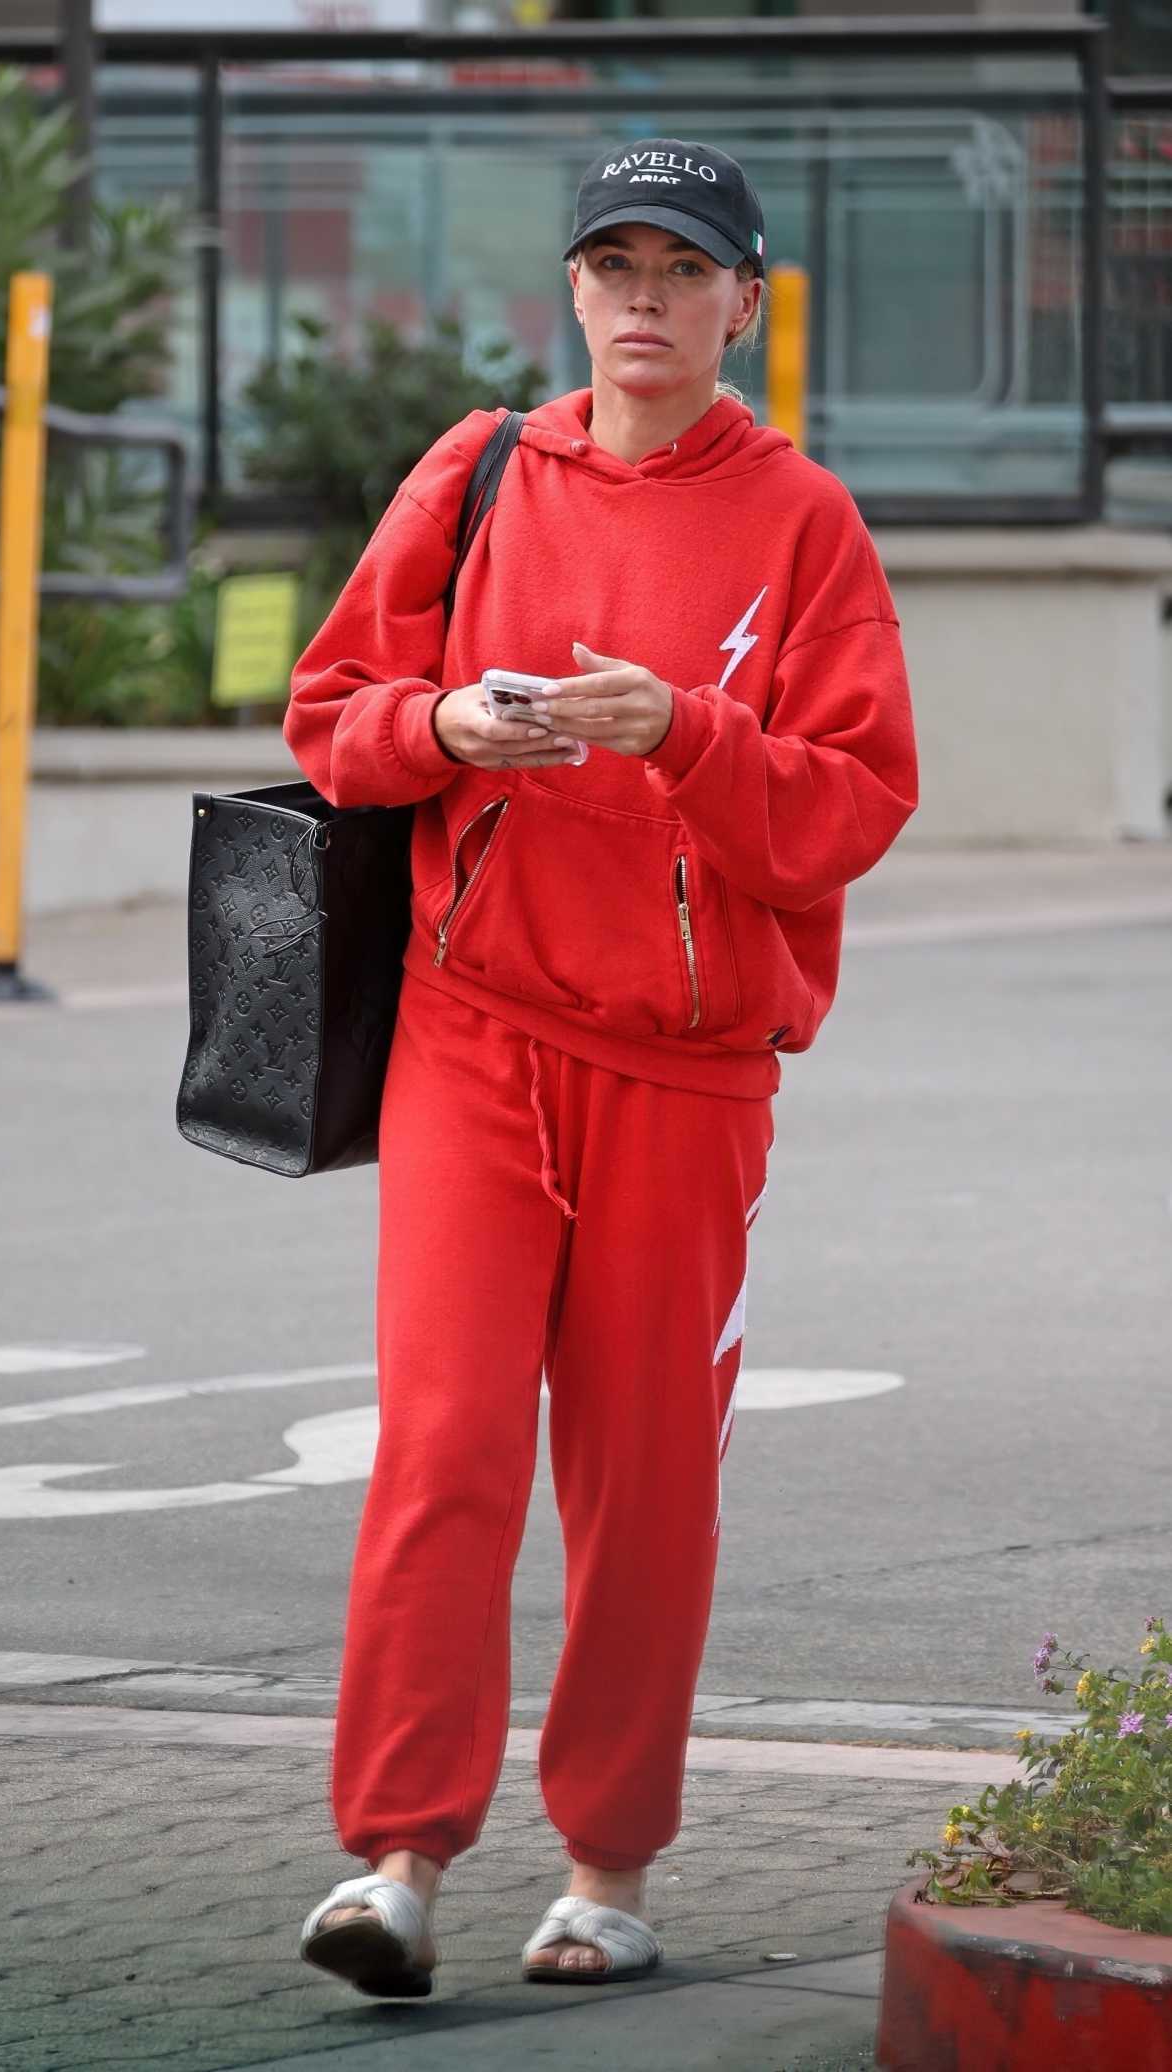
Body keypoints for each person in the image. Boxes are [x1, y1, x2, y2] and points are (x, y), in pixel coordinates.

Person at [286, 137, 918, 1996]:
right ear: (572, 290)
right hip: (471, 1037)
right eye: (611, 262)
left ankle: (607, 1872)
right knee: (448, 1447)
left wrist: (691, 736)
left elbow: (852, 809)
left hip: (685, 1074)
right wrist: (447, 721)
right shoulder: (478, 469)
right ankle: (394, 1864)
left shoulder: (804, 521)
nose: (642, 296)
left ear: (744, 300)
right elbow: (334, 723)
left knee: (642, 1477)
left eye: (682, 267)